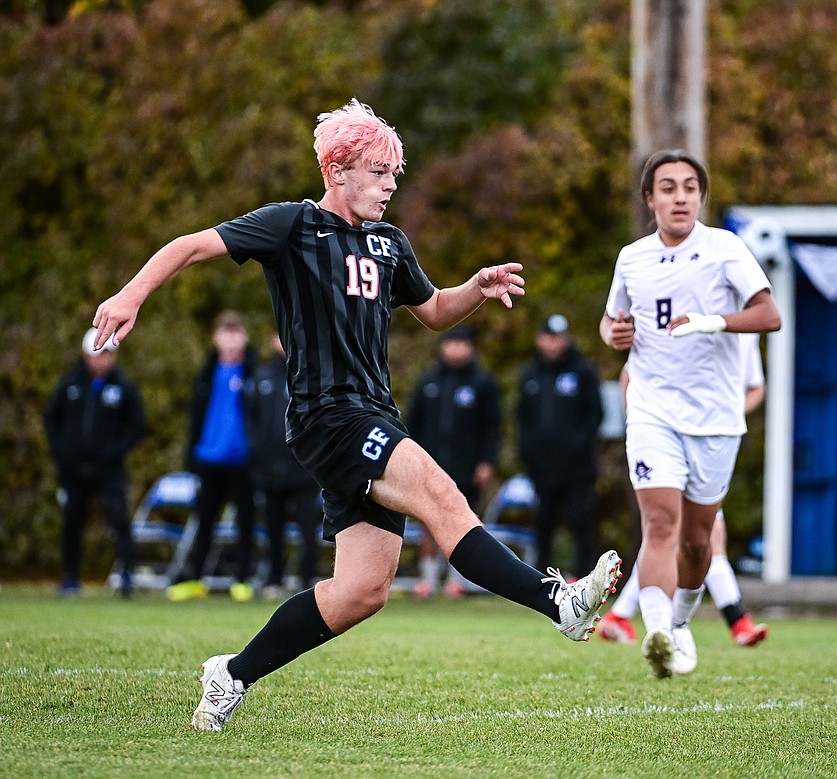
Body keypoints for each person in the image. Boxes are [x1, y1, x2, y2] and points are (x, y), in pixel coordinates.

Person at [90, 98, 621, 731]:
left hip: (373, 415)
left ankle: (231, 674)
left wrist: (474, 290)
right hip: (328, 417)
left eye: (395, 174)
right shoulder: (292, 226)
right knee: (440, 494)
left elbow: (433, 311)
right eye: (379, 172)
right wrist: (129, 295)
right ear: (337, 170)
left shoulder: (389, 244)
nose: (391, 185)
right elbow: (188, 246)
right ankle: (556, 602)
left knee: (362, 591)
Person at [599, 149, 781, 678]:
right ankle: (656, 633)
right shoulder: (631, 257)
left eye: (689, 187)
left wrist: (710, 323)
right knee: (659, 524)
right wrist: (612, 334)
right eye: (668, 187)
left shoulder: (725, 248)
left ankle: (679, 624)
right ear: (650, 199)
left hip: (716, 418)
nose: (680, 197)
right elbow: (612, 325)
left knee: (699, 542)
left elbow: (769, 315)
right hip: (652, 408)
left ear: (700, 196)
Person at [598, 333, 770, 647]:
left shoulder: (742, 329)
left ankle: (624, 614)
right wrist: (639, 425)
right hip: (666, 444)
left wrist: (728, 416)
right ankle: (726, 623)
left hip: (712, 443)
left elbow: (756, 385)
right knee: (666, 531)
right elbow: (628, 373)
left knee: (695, 541)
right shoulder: (673, 317)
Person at [44, 327, 147, 597]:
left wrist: (115, 450)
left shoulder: (122, 387)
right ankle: (70, 577)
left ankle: (127, 576)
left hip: (108, 468)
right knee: (72, 522)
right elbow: (52, 419)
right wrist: (63, 451)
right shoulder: (70, 384)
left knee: (119, 519)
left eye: (107, 355)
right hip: (74, 469)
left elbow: (137, 424)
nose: (102, 360)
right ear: (86, 355)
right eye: (97, 354)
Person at [165, 311, 259, 604]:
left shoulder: (254, 373)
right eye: (225, 332)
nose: (231, 339)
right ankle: (195, 578)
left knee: (246, 522)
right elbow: (195, 418)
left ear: (244, 337)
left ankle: (243, 580)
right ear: (216, 337)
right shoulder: (206, 372)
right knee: (204, 521)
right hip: (208, 458)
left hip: (243, 460)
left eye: (236, 332)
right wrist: (191, 456)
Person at [406, 324, 501, 598]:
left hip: (466, 467)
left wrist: (486, 461)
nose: (455, 349)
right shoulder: (428, 382)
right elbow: (412, 425)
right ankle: (428, 580)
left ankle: (457, 580)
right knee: (427, 523)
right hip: (430, 464)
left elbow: (491, 428)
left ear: (471, 347)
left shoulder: (482, 383)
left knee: (463, 524)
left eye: (462, 343)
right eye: (451, 343)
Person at [516, 313, 604, 577]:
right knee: (544, 524)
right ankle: (542, 579)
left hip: (578, 467)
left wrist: (575, 445)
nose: (553, 344)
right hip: (542, 467)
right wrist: (530, 450)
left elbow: (595, 414)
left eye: (558, 338)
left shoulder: (582, 372)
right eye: (548, 337)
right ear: (539, 339)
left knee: (581, 522)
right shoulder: (531, 374)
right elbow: (523, 418)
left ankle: (583, 577)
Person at [246, 331, 324, 600]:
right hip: (268, 469)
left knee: (308, 528)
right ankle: (274, 579)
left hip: (303, 469)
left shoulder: (313, 375)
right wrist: (257, 456)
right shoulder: (261, 377)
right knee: (273, 529)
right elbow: (251, 420)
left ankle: (307, 579)